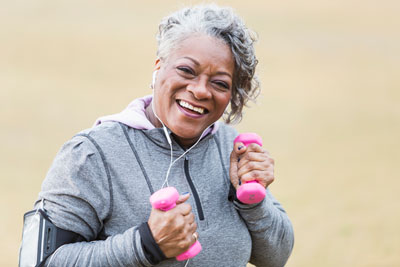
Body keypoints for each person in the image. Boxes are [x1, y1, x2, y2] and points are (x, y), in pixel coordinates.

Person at [20, 4, 294, 267]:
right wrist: (146, 244)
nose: (200, 91)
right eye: (186, 70)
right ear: (158, 67)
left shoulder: (231, 149)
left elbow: (275, 258)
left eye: (220, 83)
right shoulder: (92, 153)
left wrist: (252, 200)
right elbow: (40, 262)